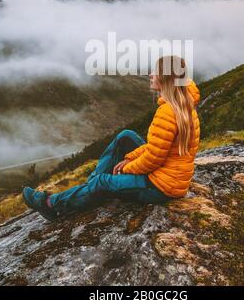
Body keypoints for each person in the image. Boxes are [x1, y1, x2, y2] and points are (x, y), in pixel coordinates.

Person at [22, 55, 201, 221]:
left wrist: (126, 169)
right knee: (126, 137)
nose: (151, 74)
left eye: (156, 72)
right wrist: (130, 158)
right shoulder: (182, 103)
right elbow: (158, 148)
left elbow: (154, 159)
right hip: (169, 177)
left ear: (166, 78)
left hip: (160, 188)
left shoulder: (168, 111)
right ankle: (90, 188)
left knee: (102, 182)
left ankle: (52, 205)